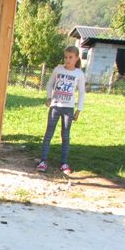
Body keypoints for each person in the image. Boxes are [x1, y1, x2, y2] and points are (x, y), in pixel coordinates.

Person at [37, 46, 86, 175]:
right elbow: (49, 84)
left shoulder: (79, 74)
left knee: (65, 135)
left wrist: (78, 110)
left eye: (70, 57)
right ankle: (43, 161)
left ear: (76, 58)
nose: (67, 60)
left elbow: (82, 92)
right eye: (66, 57)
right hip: (55, 106)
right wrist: (49, 97)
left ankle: (64, 162)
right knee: (49, 133)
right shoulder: (58, 69)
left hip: (69, 108)